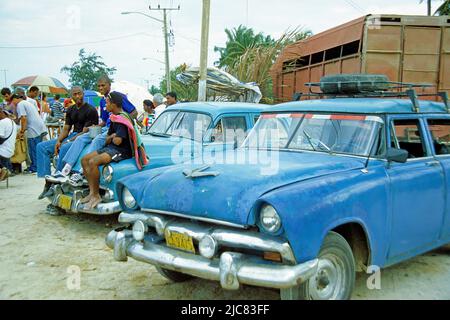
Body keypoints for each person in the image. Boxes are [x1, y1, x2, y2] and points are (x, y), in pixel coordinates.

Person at [45, 75, 137, 185]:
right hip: (105, 127)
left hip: (115, 129)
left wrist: (124, 122)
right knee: (80, 138)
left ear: (109, 85)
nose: (100, 88)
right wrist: (95, 127)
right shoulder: (103, 101)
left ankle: (83, 172)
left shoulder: (117, 97)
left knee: (97, 139)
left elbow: (134, 112)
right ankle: (66, 169)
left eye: (103, 85)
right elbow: (104, 120)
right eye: (98, 86)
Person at [80, 92, 139, 209]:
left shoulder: (122, 119)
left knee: (93, 162)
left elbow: (118, 141)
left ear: (114, 104)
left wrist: (112, 137)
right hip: (112, 148)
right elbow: (108, 139)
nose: (105, 105)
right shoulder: (113, 118)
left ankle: (96, 195)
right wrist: (112, 137)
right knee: (84, 160)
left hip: (122, 151)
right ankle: (91, 193)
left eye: (107, 103)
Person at [36, 86, 98, 179]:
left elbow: (85, 132)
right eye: (75, 94)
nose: (77, 96)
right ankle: (45, 177)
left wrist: (67, 141)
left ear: (83, 94)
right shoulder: (70, 109)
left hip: (83, 137)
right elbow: (66, 129)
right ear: (71, 96)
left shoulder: (91, 110)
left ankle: (59, 174)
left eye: (79, 93)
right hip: (71, 136)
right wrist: (59, 141)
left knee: (64, 147)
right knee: (41, 147)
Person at [10, 92, 47, 173]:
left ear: (15, 99)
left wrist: (22, 131)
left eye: (12, 101)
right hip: (40, 127)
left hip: (33, 129)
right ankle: (38, 166)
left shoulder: (20, 104)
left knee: (33, 149)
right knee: (37, 148)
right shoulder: (27, 102)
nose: (13, 104)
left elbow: (23, 118)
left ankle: (35, 168)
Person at [0, 106, 17, 180]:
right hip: (9, 151)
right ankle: (5, 169)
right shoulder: (13, 123)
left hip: (2, 152)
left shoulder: (3, 122)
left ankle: (3, 168)